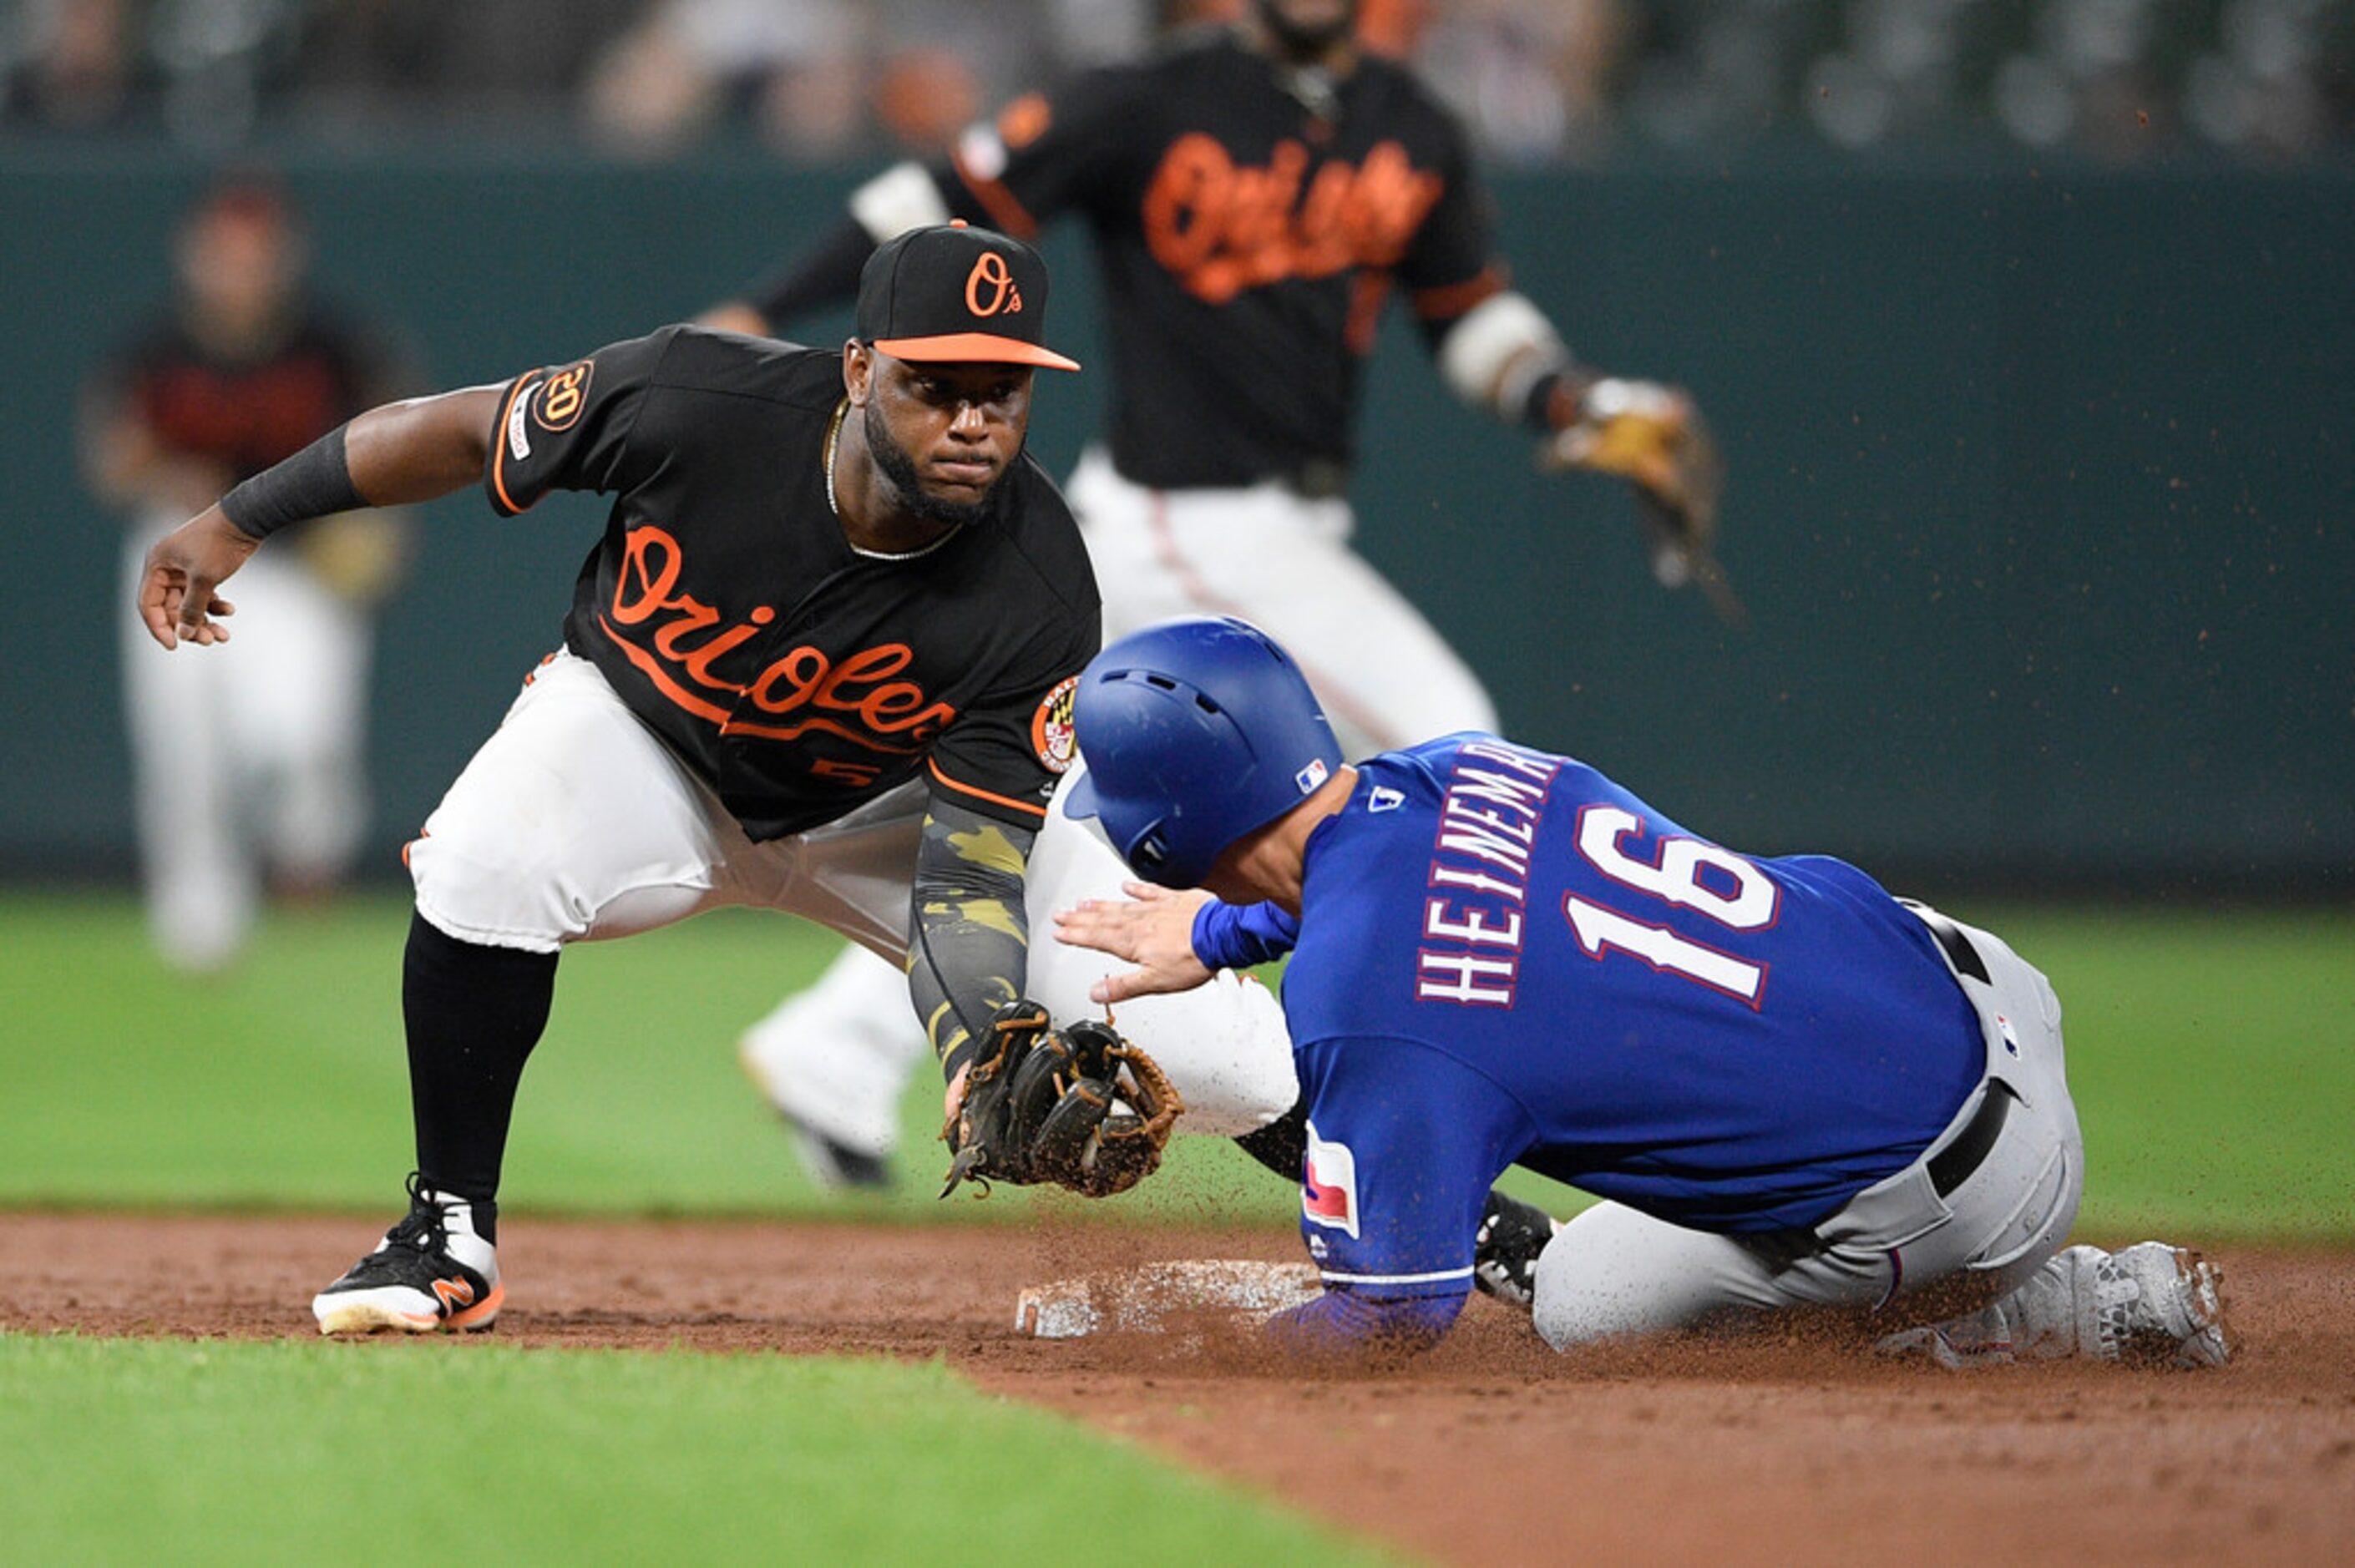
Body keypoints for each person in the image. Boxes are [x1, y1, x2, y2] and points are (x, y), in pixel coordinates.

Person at [134, 224, 1299, 1337]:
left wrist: (977, 1047)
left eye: (1001, 392)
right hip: (643, 744)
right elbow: (456, 430)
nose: (971, 423)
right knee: (486, 854)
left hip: (877, 814)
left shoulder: (1038, 588)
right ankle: (447, 1230)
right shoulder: (696, 400)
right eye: (934, 387)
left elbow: (969, 870)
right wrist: (243, 516)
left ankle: (1423, 1208)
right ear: (856, 368)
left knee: (1211, 1051)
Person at [712, 0, 1726, 1189]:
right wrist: (764, 309)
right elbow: (943, 191)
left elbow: (1468, 315)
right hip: (1177, 521)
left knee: (1076, 821)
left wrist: (1572, 400)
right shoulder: (1155, 96)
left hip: (1274, 524)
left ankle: (836, 1042)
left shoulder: (1409, 122)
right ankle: (1483, 1084)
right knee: (1462, 754)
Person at [1050, 615, 2232, 1368]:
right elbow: (1394, 878)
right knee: (1794, 908)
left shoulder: (1364, 1007)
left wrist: (1194, 1357)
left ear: (1159, 836)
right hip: (1996, 994)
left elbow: (1392, 1319)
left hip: (1971, 1208)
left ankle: (2034, 1311)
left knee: (1581, 1299)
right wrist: (1223, 927)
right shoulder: (1459, 763)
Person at [84, 177, 418, 974]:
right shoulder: (156, 350)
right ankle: (198, 912)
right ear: (195, 256)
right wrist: (168, 477)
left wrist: (382, 522)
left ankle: (310, 841)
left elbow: (400, 427)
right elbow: (110, 457)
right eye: (224, 253)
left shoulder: (331, 344)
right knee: (185, 745)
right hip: (183, 560)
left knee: (297, 742)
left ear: (284, 257)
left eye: (255, 253)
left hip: (298, 566)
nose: (240, 269)